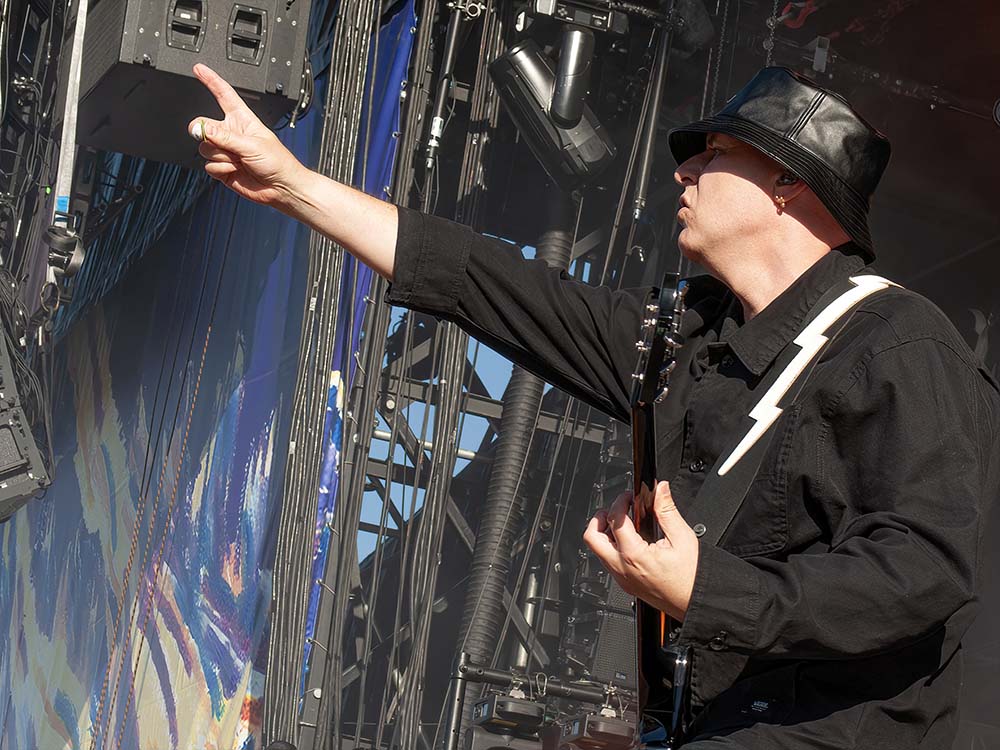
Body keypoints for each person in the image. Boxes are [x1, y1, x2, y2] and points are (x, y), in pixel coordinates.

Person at [189, 63, 999, 748]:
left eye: (714, 153)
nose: (683, 171)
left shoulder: (900, 341)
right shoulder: (687, 337)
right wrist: (293, 186)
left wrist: (707, 590)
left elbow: (922, 573)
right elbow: (493, 285)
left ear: (790, 183)